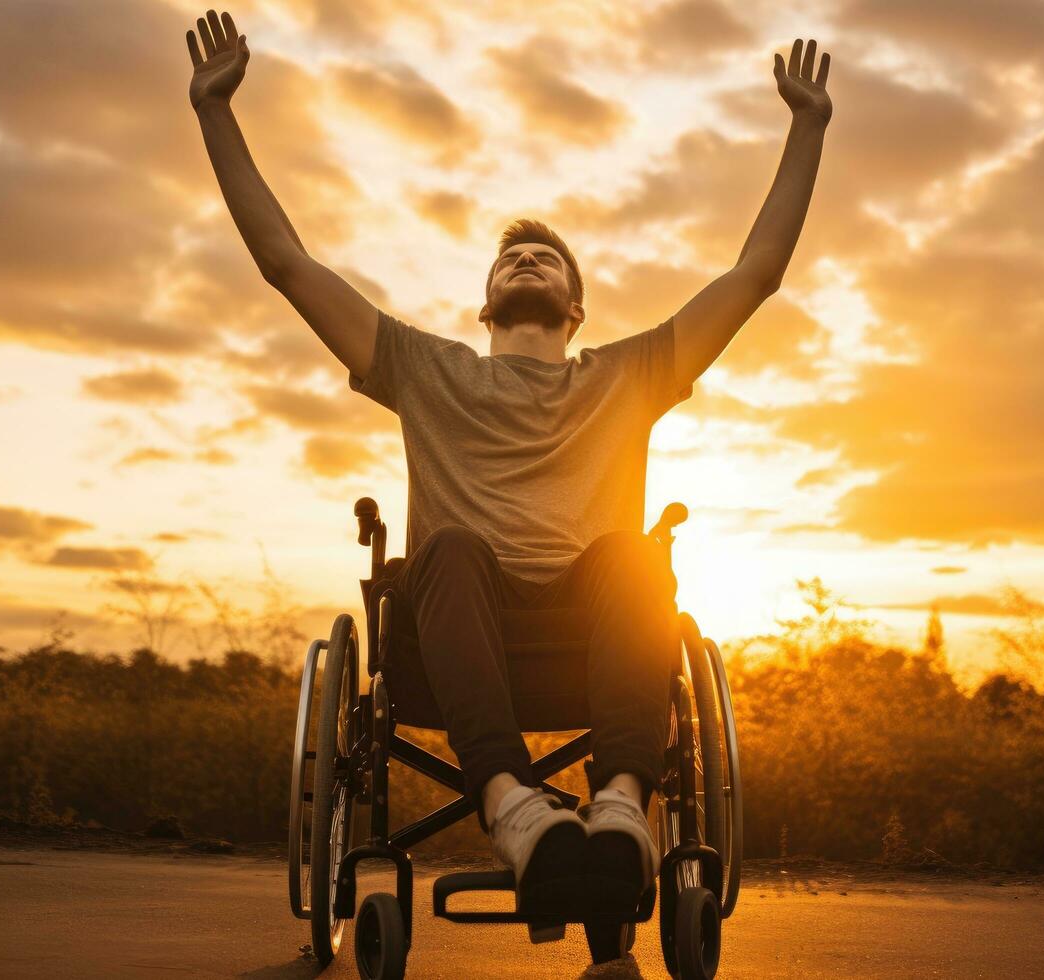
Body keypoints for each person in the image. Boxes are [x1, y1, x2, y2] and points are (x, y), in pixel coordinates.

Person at [186, 8, 832, 918]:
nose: (527, 260)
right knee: (444, 550)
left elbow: (756, 272)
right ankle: (512, 807)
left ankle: (619, 808)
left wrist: (807, 126)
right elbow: (286, 263)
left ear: (574, 308)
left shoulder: (631, 372)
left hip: (589, 624)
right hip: (459, 621)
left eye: (547, 258)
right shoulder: (421, 367)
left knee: (632, 555)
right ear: (486, 304)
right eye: (510, 258)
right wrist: (215, 111)